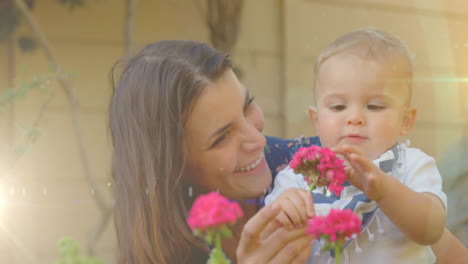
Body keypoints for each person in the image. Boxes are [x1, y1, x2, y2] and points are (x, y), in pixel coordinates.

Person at [108, 40, 315, 264]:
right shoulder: (165, 250)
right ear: (173, 165)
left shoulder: (313, 168)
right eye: (222, 137)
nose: (258, 140)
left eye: (248, 106)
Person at [265, 28, 449, 263]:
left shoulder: (411, 165)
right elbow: (269, 241)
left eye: (374, 106)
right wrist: (285, 208)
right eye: (338, 107)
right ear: (316, 121)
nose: (354, 118)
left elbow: (431, 230)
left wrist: (385, 191)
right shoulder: (298, 177)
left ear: (406, 121)